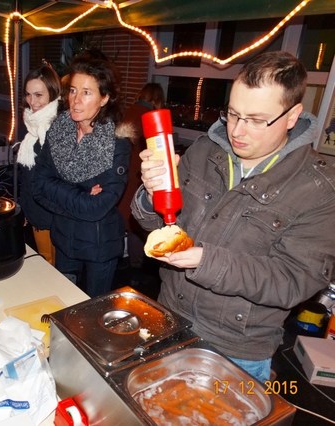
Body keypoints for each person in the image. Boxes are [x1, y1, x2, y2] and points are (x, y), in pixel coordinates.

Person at [131, 51, 335, 382]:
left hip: (236, 351)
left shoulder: (320, 188)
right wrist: (153, 197)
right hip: (167, 319)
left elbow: (292, 281)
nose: (237, 131)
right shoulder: (203, 151)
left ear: (292, 116)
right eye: (232, 113)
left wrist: (204, 260)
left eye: (255, 120)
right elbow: (165, 228)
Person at [32, 53, 132, 297]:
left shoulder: (117, 143)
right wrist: (80, 195)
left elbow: (98, 207)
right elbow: (37, 185)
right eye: (73, 90)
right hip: (63, 240)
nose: (75, 100)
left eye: (87, 92)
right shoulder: (59, 130)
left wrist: (58, 190)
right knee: (63, 303)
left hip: (100, 246)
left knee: (93, 310)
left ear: (105, 97)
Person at [17, 62, 62, 265]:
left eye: (38, 95)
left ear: (52, 93)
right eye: (28, 94)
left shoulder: (60, 126)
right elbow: (29, 174)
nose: (31, 101)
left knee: (58, 269)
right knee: (45, 263)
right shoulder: (32, 125)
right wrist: (25, 208)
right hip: (37, 211)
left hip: (56, 214)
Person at [118, 83, 165, 273]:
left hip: (123, 173)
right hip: (139, 175)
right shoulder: (150, 119)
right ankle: (136, 269)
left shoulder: (127, 112)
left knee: (123, 217)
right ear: (156, 100)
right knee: (137, 223)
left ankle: (123, 259)